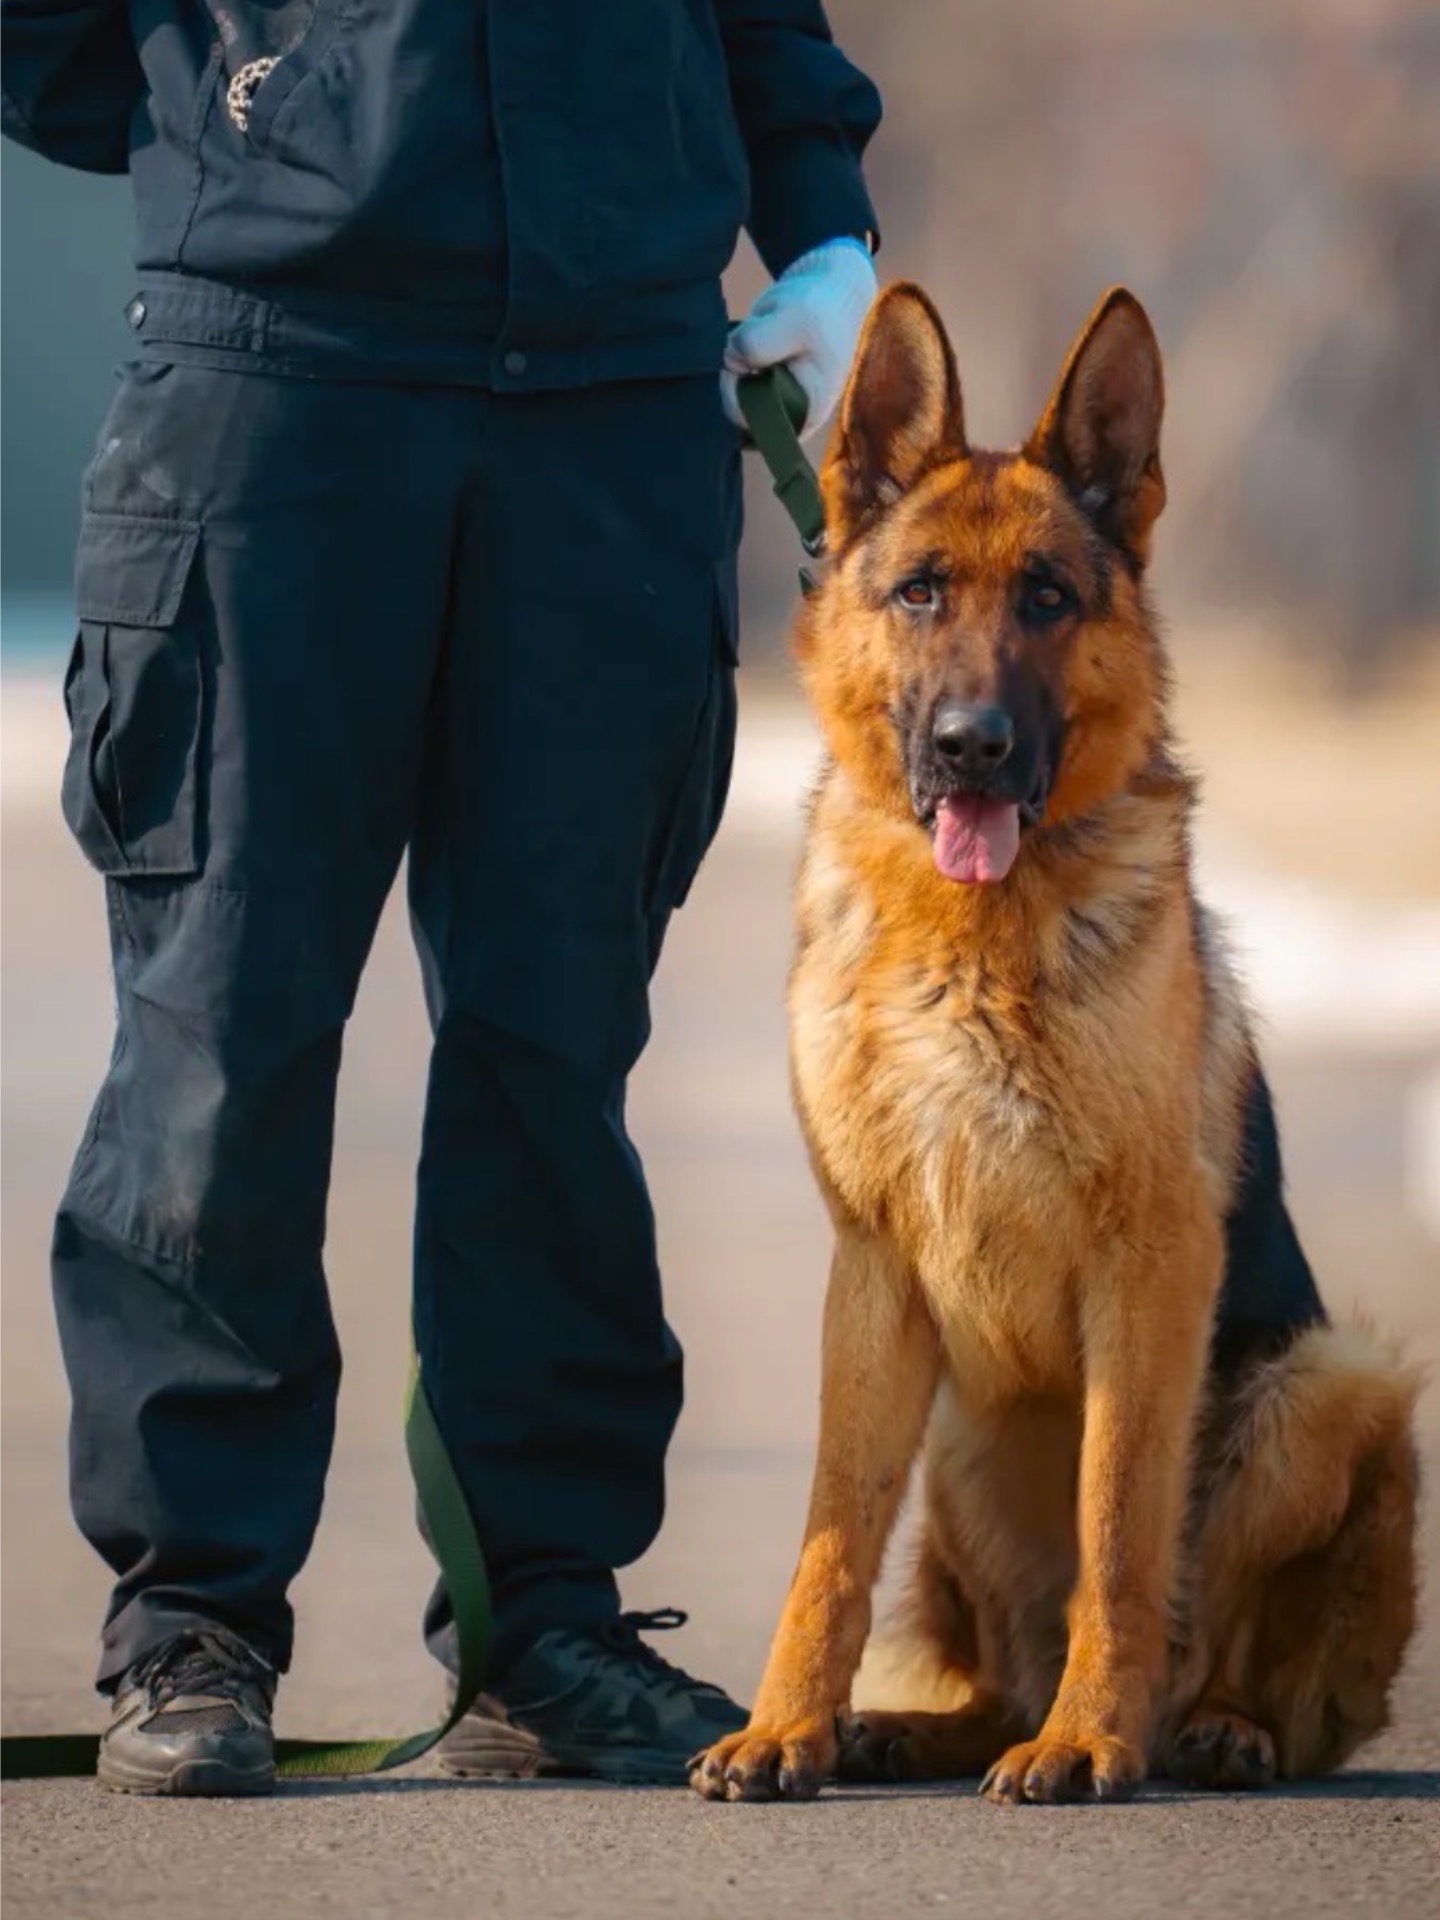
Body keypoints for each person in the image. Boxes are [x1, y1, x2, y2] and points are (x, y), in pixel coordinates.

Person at [1, 0, 880, 1795]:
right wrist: (261, 118)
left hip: (619, 395)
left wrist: (827, 226)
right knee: (223, 1030)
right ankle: (193, 1626)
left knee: (553, 1048)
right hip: (273, 382)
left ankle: (542, 1620)